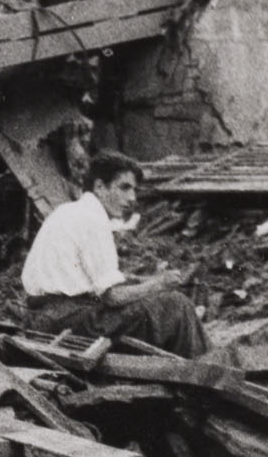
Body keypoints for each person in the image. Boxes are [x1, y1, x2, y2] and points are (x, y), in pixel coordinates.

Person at [20, 152, 206, 355]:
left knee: (158, 305)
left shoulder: (69, 210)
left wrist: (140, 280)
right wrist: (158, 284)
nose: (132, 198)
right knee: (175, 304)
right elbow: (113, 297)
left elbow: (90, 279)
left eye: (134, 190)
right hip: (65, 321)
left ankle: (194, 362)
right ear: (99, 187)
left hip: (42, 316)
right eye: (124, 188)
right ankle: (205, 373)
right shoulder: (93, 219)